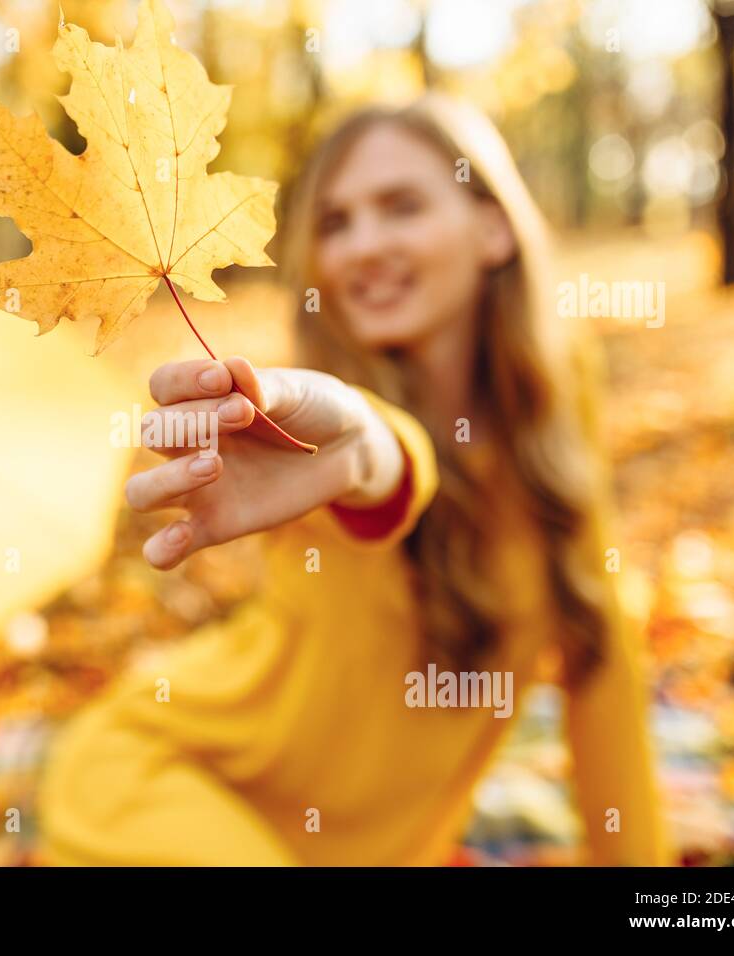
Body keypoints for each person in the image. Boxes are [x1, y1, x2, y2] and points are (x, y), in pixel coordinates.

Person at [37, 94, 671, 866]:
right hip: (163, 787)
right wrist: (362, 444)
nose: (362, 245)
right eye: (335, 223)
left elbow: (596, 635)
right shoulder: (300, 429)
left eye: (401, 207)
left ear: (494, 229)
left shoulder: (555, 394)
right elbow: (384, 467)